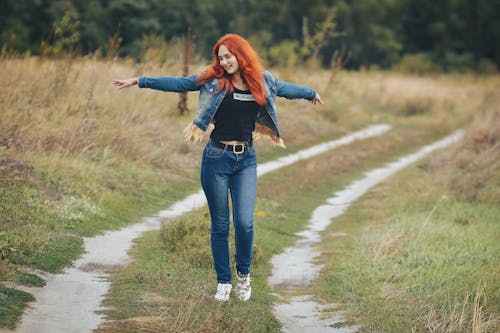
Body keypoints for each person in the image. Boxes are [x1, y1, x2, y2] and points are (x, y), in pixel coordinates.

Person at [113, 33, 323, 302]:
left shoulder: (262, 80)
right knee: (221, 226)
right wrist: (140, 80)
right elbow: (180, 83)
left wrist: (310, 93)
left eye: (228, 56)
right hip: (216, 158)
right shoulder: (213, 81)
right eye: (220, 57)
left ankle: (243, 276)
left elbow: (284, 88)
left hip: (246, 159)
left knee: (245, 224)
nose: (224, 62)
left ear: (241, 54)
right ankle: (224, 282)